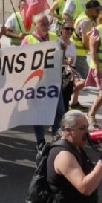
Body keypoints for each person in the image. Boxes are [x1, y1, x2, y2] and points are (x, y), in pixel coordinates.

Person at [22, 13, 66, 147]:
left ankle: (56, 136)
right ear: (35, 25)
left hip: (53, 81)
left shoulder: (54, 38)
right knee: (38, 112)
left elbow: (61, 56)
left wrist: (63, 50)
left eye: (48, 24)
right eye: (43, 24)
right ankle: (40, 140)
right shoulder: (28, 40)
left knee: (60, 111)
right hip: (37, 82)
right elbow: (22, 60)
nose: (47, 26)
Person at [70, 0, 102, 111]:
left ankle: (74, 103)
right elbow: (85, 41)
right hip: (79, 54)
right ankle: (65, 95)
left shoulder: (82, 17)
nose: (98, 11)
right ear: (90, 10)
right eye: (97, 10)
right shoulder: (86, 21)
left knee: (79, 79)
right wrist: (95, 51)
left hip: (77, 53)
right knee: (86, 79)